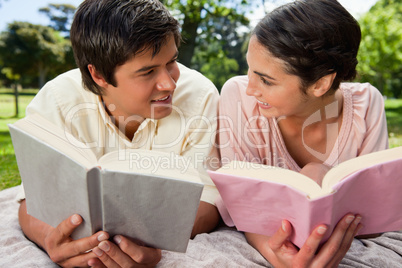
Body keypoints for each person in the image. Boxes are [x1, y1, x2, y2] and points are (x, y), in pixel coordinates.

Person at [17, 0, 220, 267]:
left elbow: (209, 201)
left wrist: (151, 239)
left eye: (171, 62)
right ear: (99, 74)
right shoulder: (57, 101)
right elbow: (31, 200)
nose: (169, 83)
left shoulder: (201, 95)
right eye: (147, 71)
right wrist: (51, 240)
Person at [217, 0, 388, 267]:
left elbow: (374, 219)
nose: (251, 88)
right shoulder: (238, 96)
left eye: (266, 80)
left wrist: (319, 172)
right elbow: (241, 207)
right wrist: (276, 255)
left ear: (320, 83)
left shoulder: (367, 104)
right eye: (250, 68)